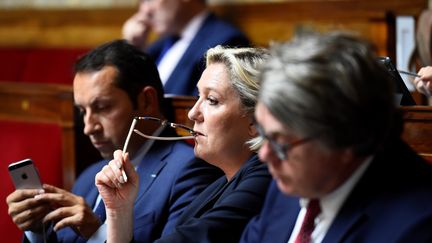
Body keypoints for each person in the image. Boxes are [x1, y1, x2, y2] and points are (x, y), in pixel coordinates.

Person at [6, 39, 222, 243]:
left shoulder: (190, 171)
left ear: (146, 101)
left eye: (102, 107)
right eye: (83, 111)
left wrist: (98, 233)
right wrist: (37, 230)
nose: (89, 127)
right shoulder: (89, 176)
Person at [240, 32, 432, 243]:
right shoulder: (290, 182)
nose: (264, 155)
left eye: (280, 142)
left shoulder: (416, 229)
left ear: (347, 136)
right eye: (264, 132)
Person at [95, 45, 272, 243]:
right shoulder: (219, 185)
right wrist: (119, 211)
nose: (192, 113)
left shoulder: (267, 176)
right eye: (198, 97)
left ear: (256, 120)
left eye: (212, 100)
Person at [122, 0, 250, 96]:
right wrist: (132, 49)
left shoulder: (226, 41)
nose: (144, 11)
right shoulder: (156, 46)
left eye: (150, 0)